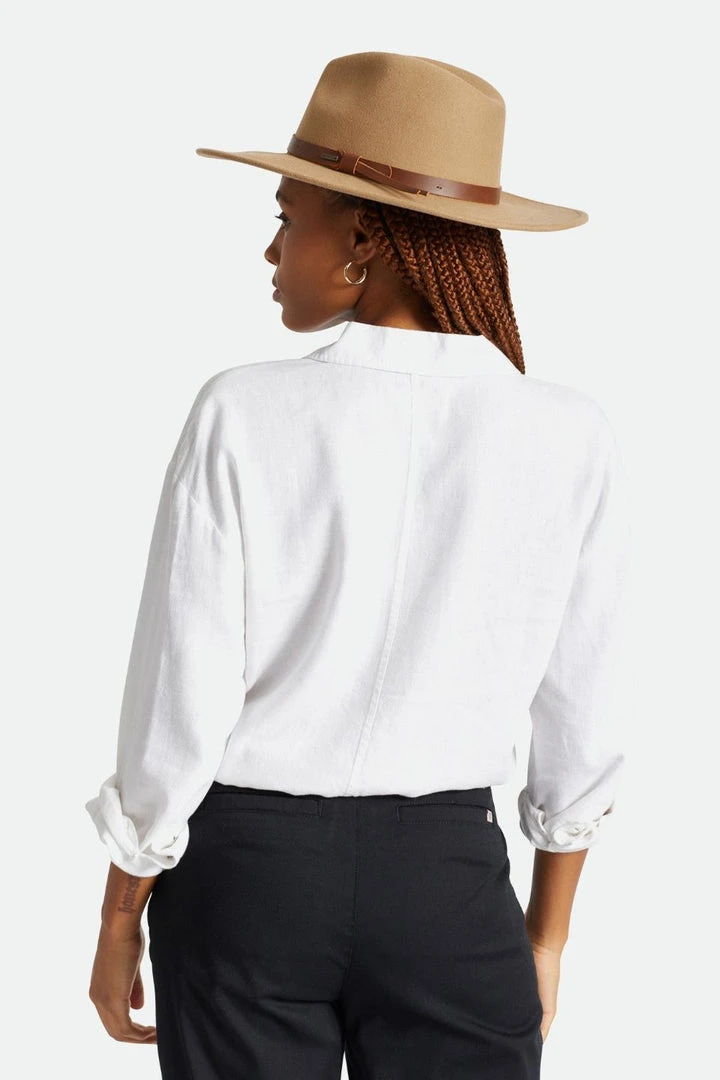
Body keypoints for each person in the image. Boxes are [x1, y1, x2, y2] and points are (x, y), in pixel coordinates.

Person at [86, 51, 630, 1079]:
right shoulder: (568, 432)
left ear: (365, 240)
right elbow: (583, 713)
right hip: (449, 889)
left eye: (288, 217)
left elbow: (179, 695)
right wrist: (547, 938)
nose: (270, 248)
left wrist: (122, 911)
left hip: (248, 881)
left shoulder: (243, 410)